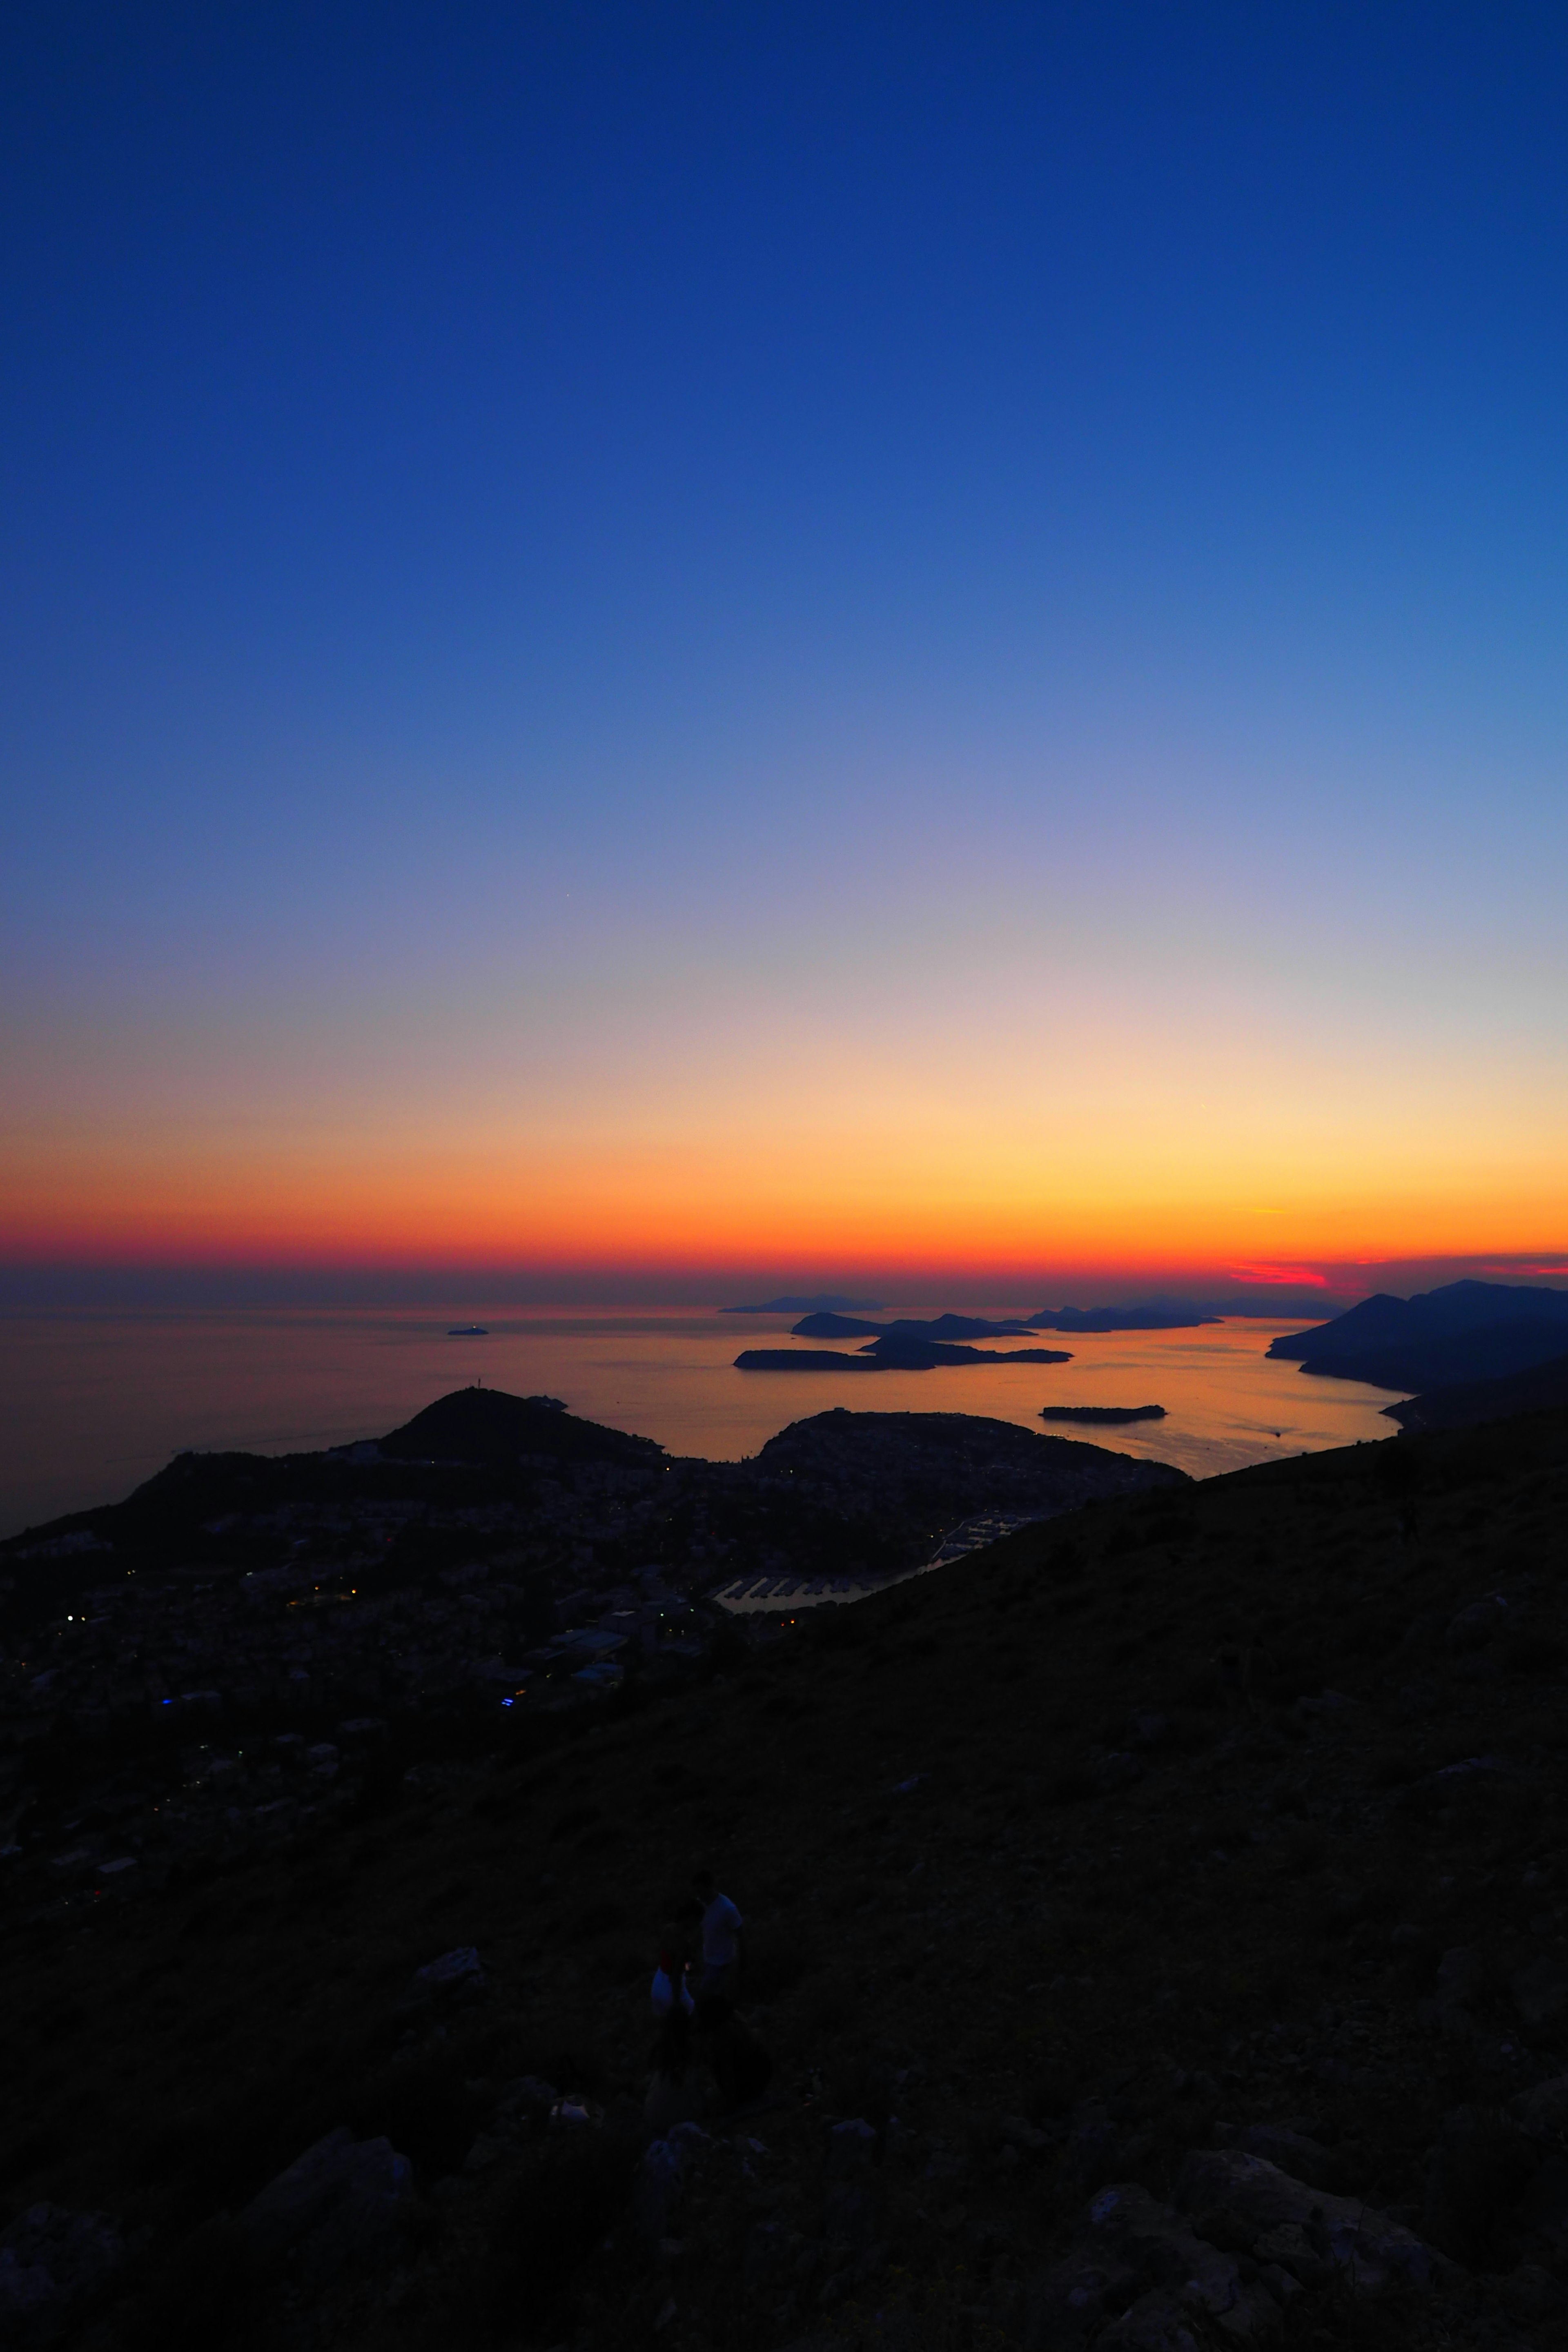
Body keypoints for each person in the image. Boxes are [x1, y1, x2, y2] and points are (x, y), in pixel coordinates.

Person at [695, 1994, 773, 2114]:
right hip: (762, 2077)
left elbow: (727, 2072)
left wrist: (730, 2103)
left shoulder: (721, 2036)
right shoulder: (736, 2018)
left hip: (748, 2084)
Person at [644, 2004, 708, 2138]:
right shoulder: (690, 2050)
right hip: (679, 2118)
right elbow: (694, 2088)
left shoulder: (660, 2049)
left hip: (652, 2117)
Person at [691, 1866, 743, 2000]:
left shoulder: (727, 1909)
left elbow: (741, 1935)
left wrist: (741, 1964)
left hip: (722, 1964)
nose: (699, 1895)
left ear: (710, 1887)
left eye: (701, 1891)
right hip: (708, 1961)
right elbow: (702, 1929)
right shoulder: (702, 1905)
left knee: (704, 1997)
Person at [650, 1936, 695, 2021]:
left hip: (655, 1991)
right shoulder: (679, 1967)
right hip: (671, 1998)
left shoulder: (665, 1960)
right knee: (691, 2010)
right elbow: (677, 1981)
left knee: (660, 2019)